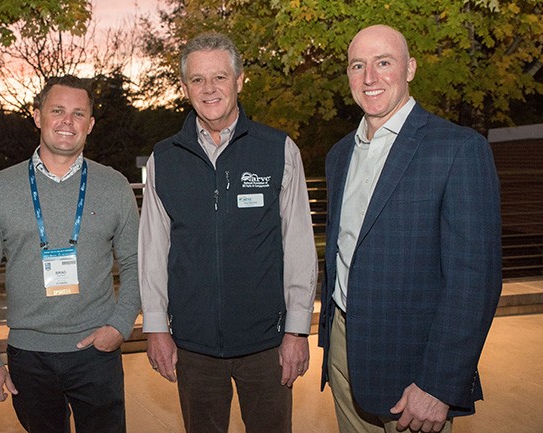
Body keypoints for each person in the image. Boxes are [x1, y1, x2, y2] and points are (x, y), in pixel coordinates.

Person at [318, 24, 503, 433]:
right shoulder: (339, 156)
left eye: (384, 62)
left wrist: (440, 384)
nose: (369, 77)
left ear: (410, 69)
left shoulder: (457, 149)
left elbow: (475, 280)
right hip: (344, 353)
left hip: (415, 367)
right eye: (357, 65)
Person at [139, 32, 317, 433]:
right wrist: (155, 328)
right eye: (198, 80)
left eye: (219, 77)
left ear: (239, 81)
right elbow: (153, 249)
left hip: (266, 344)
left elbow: (299, 245)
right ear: (185, 88)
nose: (210, 89)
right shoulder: (164, 159)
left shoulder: (279, 149)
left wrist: (296, 330)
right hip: (193, 346)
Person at [0, 75, 140, 433]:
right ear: (37, 116)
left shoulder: (114, 186)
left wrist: (119, 326)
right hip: (29, 356)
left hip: (97, 351)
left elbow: (138, 262)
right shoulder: (0, 188)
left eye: (78, 114)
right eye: (57, 110)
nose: (67, 121)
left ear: (90, 125)